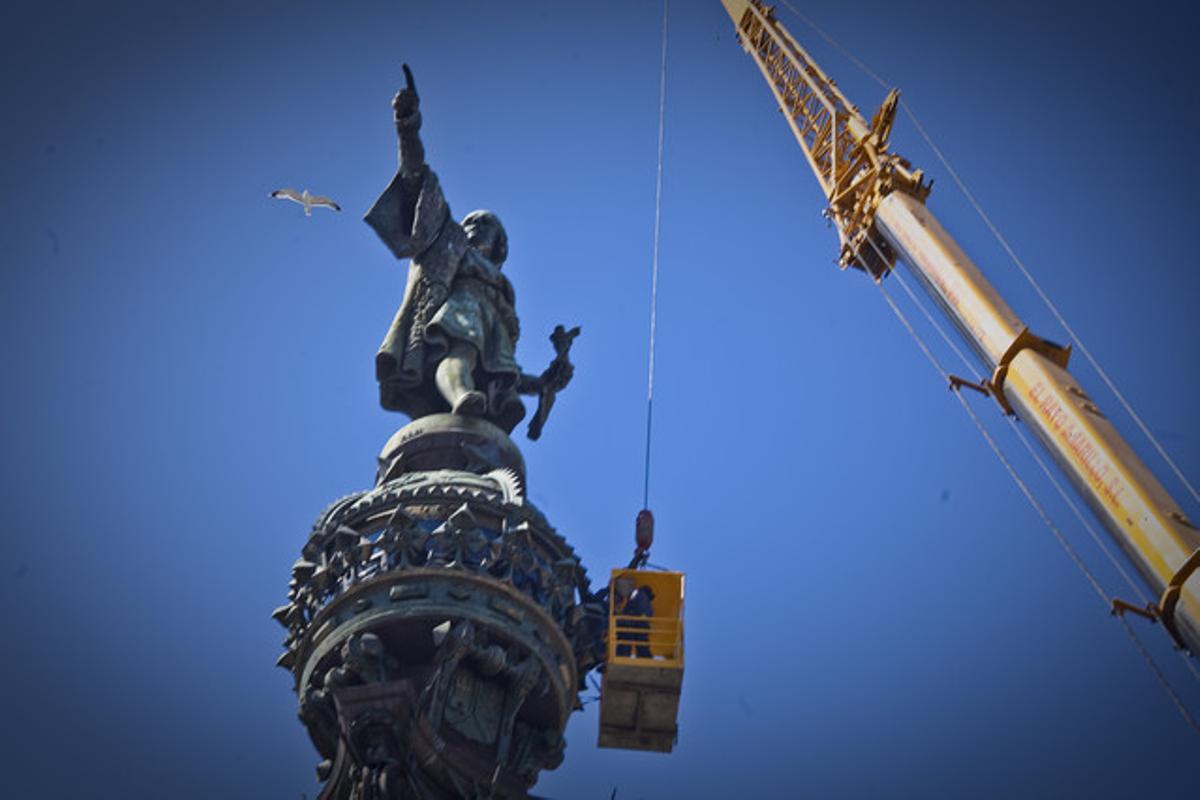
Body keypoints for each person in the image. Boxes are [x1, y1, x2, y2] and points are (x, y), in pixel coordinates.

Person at [364, 65, 540, 433]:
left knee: (477, 358)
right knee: (460, 350)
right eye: (470, 221)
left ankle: (468, 405)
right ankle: (461, 396)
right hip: (455, 311)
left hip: (487, 326)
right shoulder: (449, 239)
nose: (473, 226)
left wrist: (544, 383)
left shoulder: (503, 294)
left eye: (484, 223)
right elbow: (417, 176)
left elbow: (504, 369)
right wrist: (407, 127)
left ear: (499, 243)